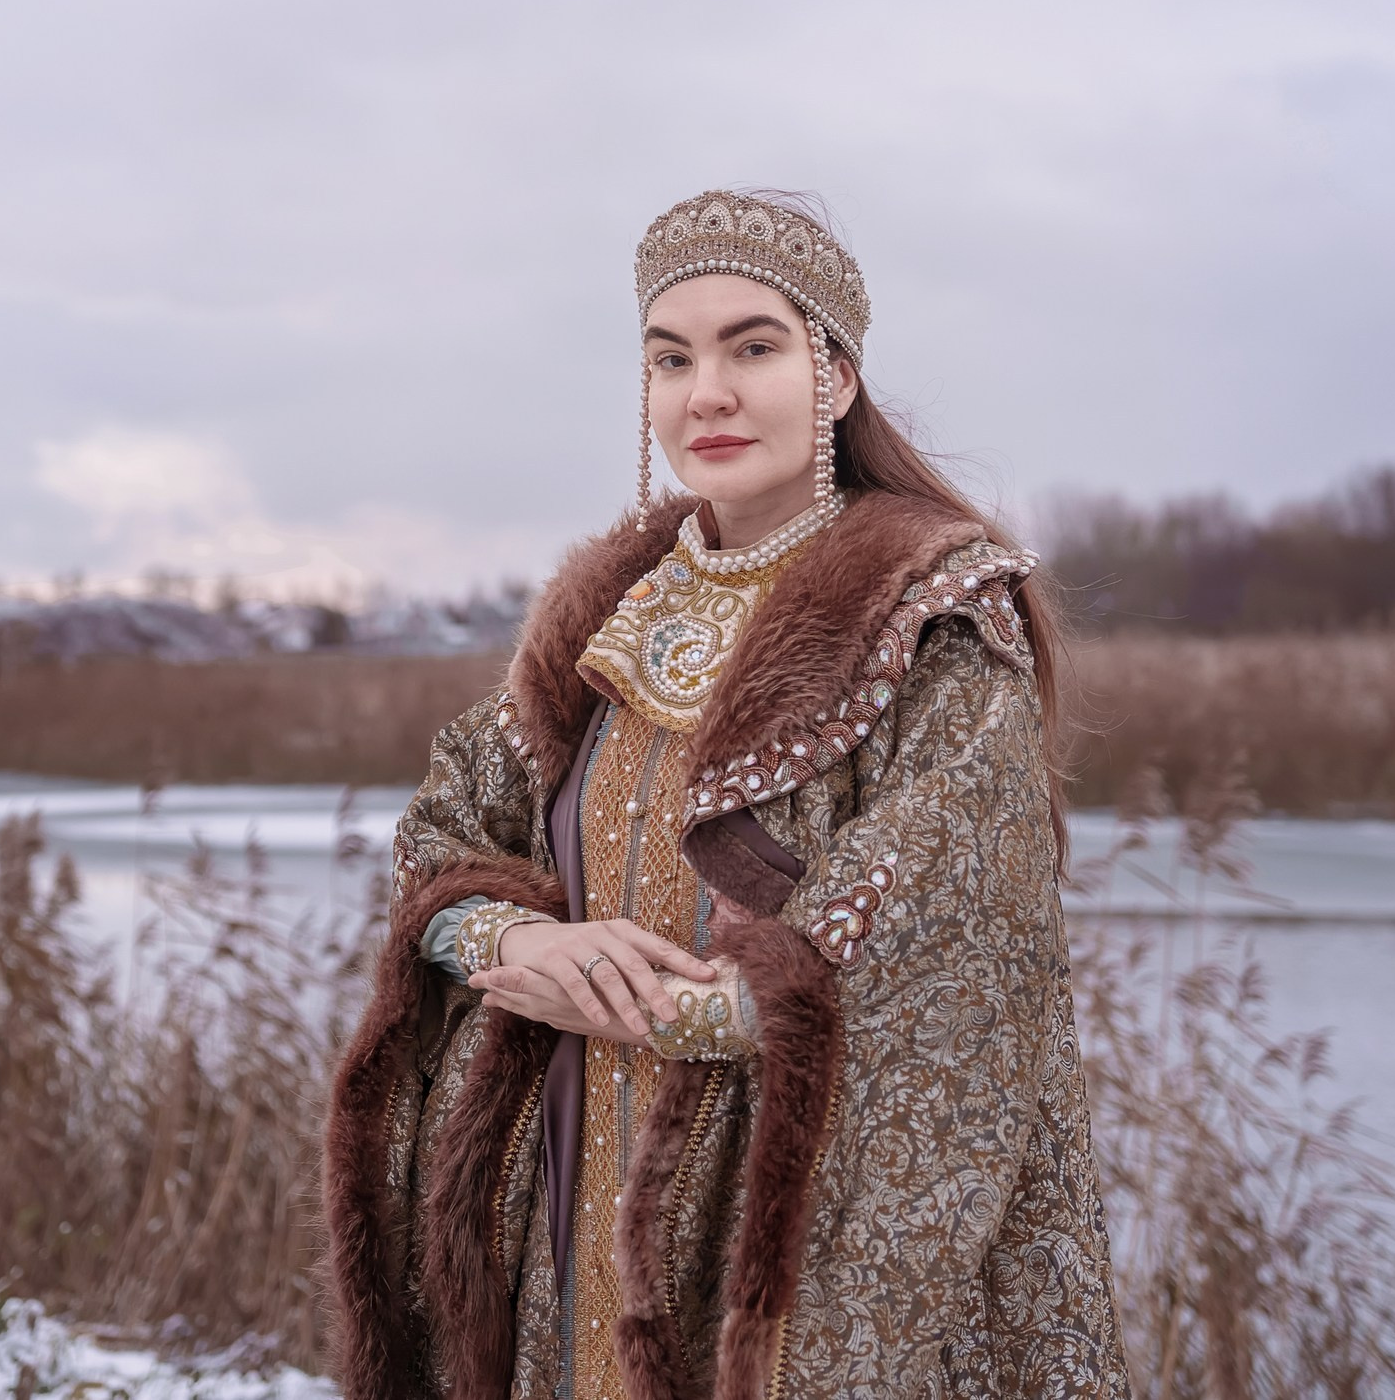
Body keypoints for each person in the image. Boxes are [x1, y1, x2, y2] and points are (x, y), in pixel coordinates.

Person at [326, 190, 1131, 1399]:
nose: (705, 391)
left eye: (753, 347)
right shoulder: (605, 613)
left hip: (794, 1202)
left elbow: (940, 905)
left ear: (838, 377)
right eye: (670, 357)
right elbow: (446, 829)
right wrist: (510, 938)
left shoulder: (935, 612)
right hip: (569, 1173)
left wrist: (684, 1008)